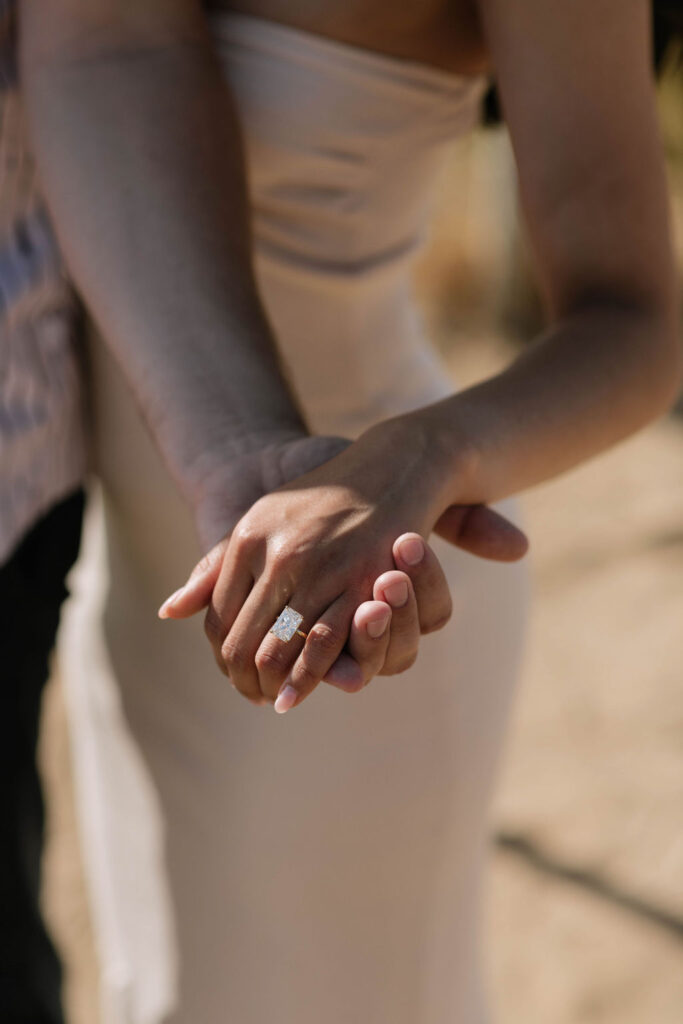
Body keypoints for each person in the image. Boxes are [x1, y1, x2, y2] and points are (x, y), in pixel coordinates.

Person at [6, 1, 680, 1023]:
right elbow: (103, 46)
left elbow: (633, 318)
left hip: (352, 588)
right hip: (168, 573)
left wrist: (427, 446)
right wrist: (232, 451)